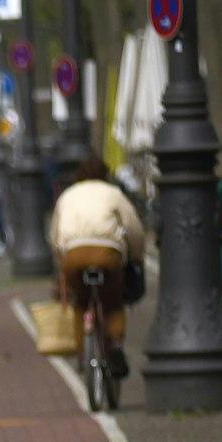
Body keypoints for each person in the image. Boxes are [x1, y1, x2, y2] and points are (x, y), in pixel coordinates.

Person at [49, 157, 147, 378]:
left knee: (80, 303)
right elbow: (134, 230)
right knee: (113, 302)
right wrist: (136, 257)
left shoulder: (68, 196)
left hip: (73, 255)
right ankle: (114, 347)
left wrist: (60, 261)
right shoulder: (113, 193)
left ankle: (83, 354)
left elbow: (54, 235)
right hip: (108, 254)